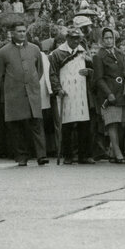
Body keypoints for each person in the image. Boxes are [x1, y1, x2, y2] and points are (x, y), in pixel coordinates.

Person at [0, 22, 47, 167]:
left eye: (24, 31)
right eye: (19, 31)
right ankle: (22, 156)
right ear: (12, 33)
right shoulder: (3, 52)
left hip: (32, 93)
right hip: (14, 94)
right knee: (17, 127)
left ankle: (41, 155)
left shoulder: (35, 49)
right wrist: (10, 87)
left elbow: (39, 70)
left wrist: (32, 82)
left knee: (36, 124)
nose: (22, 33)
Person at [49, 27, 93, 164]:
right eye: (73, 38)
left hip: (81, 92)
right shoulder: (57, 54)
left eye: (78, 38)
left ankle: (83, 155)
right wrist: (58, 89)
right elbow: (53, 73)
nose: (75, 41)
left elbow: (92, 70)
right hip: (66, 91)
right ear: (67, 38)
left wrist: (89, 71)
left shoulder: (83, 52)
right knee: (67, 125)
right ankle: (68, 155)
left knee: (84, 125)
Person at [93, 27, 125, 163]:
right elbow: (98, 78)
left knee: (123, 123)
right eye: (106, 38)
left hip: (122, 92)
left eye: (111, 38)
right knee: (112, 124)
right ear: (102, 40)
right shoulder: (99, 56)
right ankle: (118, 153)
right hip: (109, 94)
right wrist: (108, 93)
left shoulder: (120, 53)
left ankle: (113, 152)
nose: (109, 40)